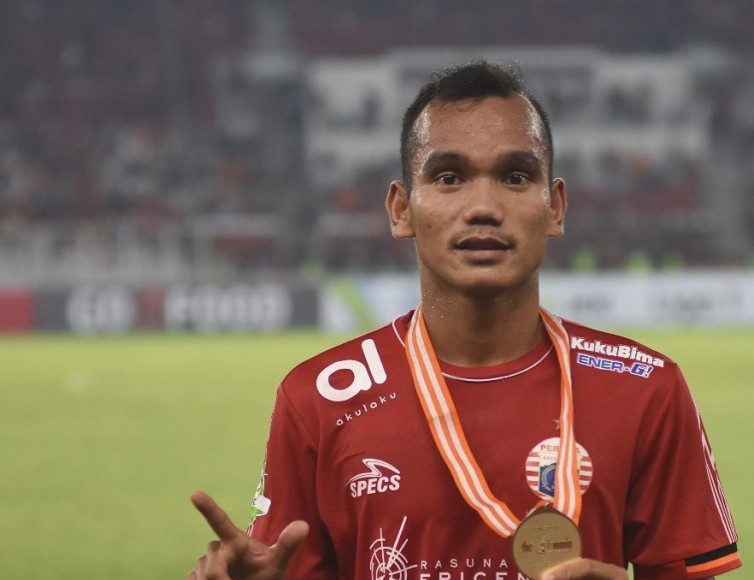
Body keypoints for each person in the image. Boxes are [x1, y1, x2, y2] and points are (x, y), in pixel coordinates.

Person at [188, 62, 741, 580]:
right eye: (449, 177)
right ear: (401, 209)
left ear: (555, 207)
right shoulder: (318, 398)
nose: (483, 207)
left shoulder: (646, 389)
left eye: (516, 176)